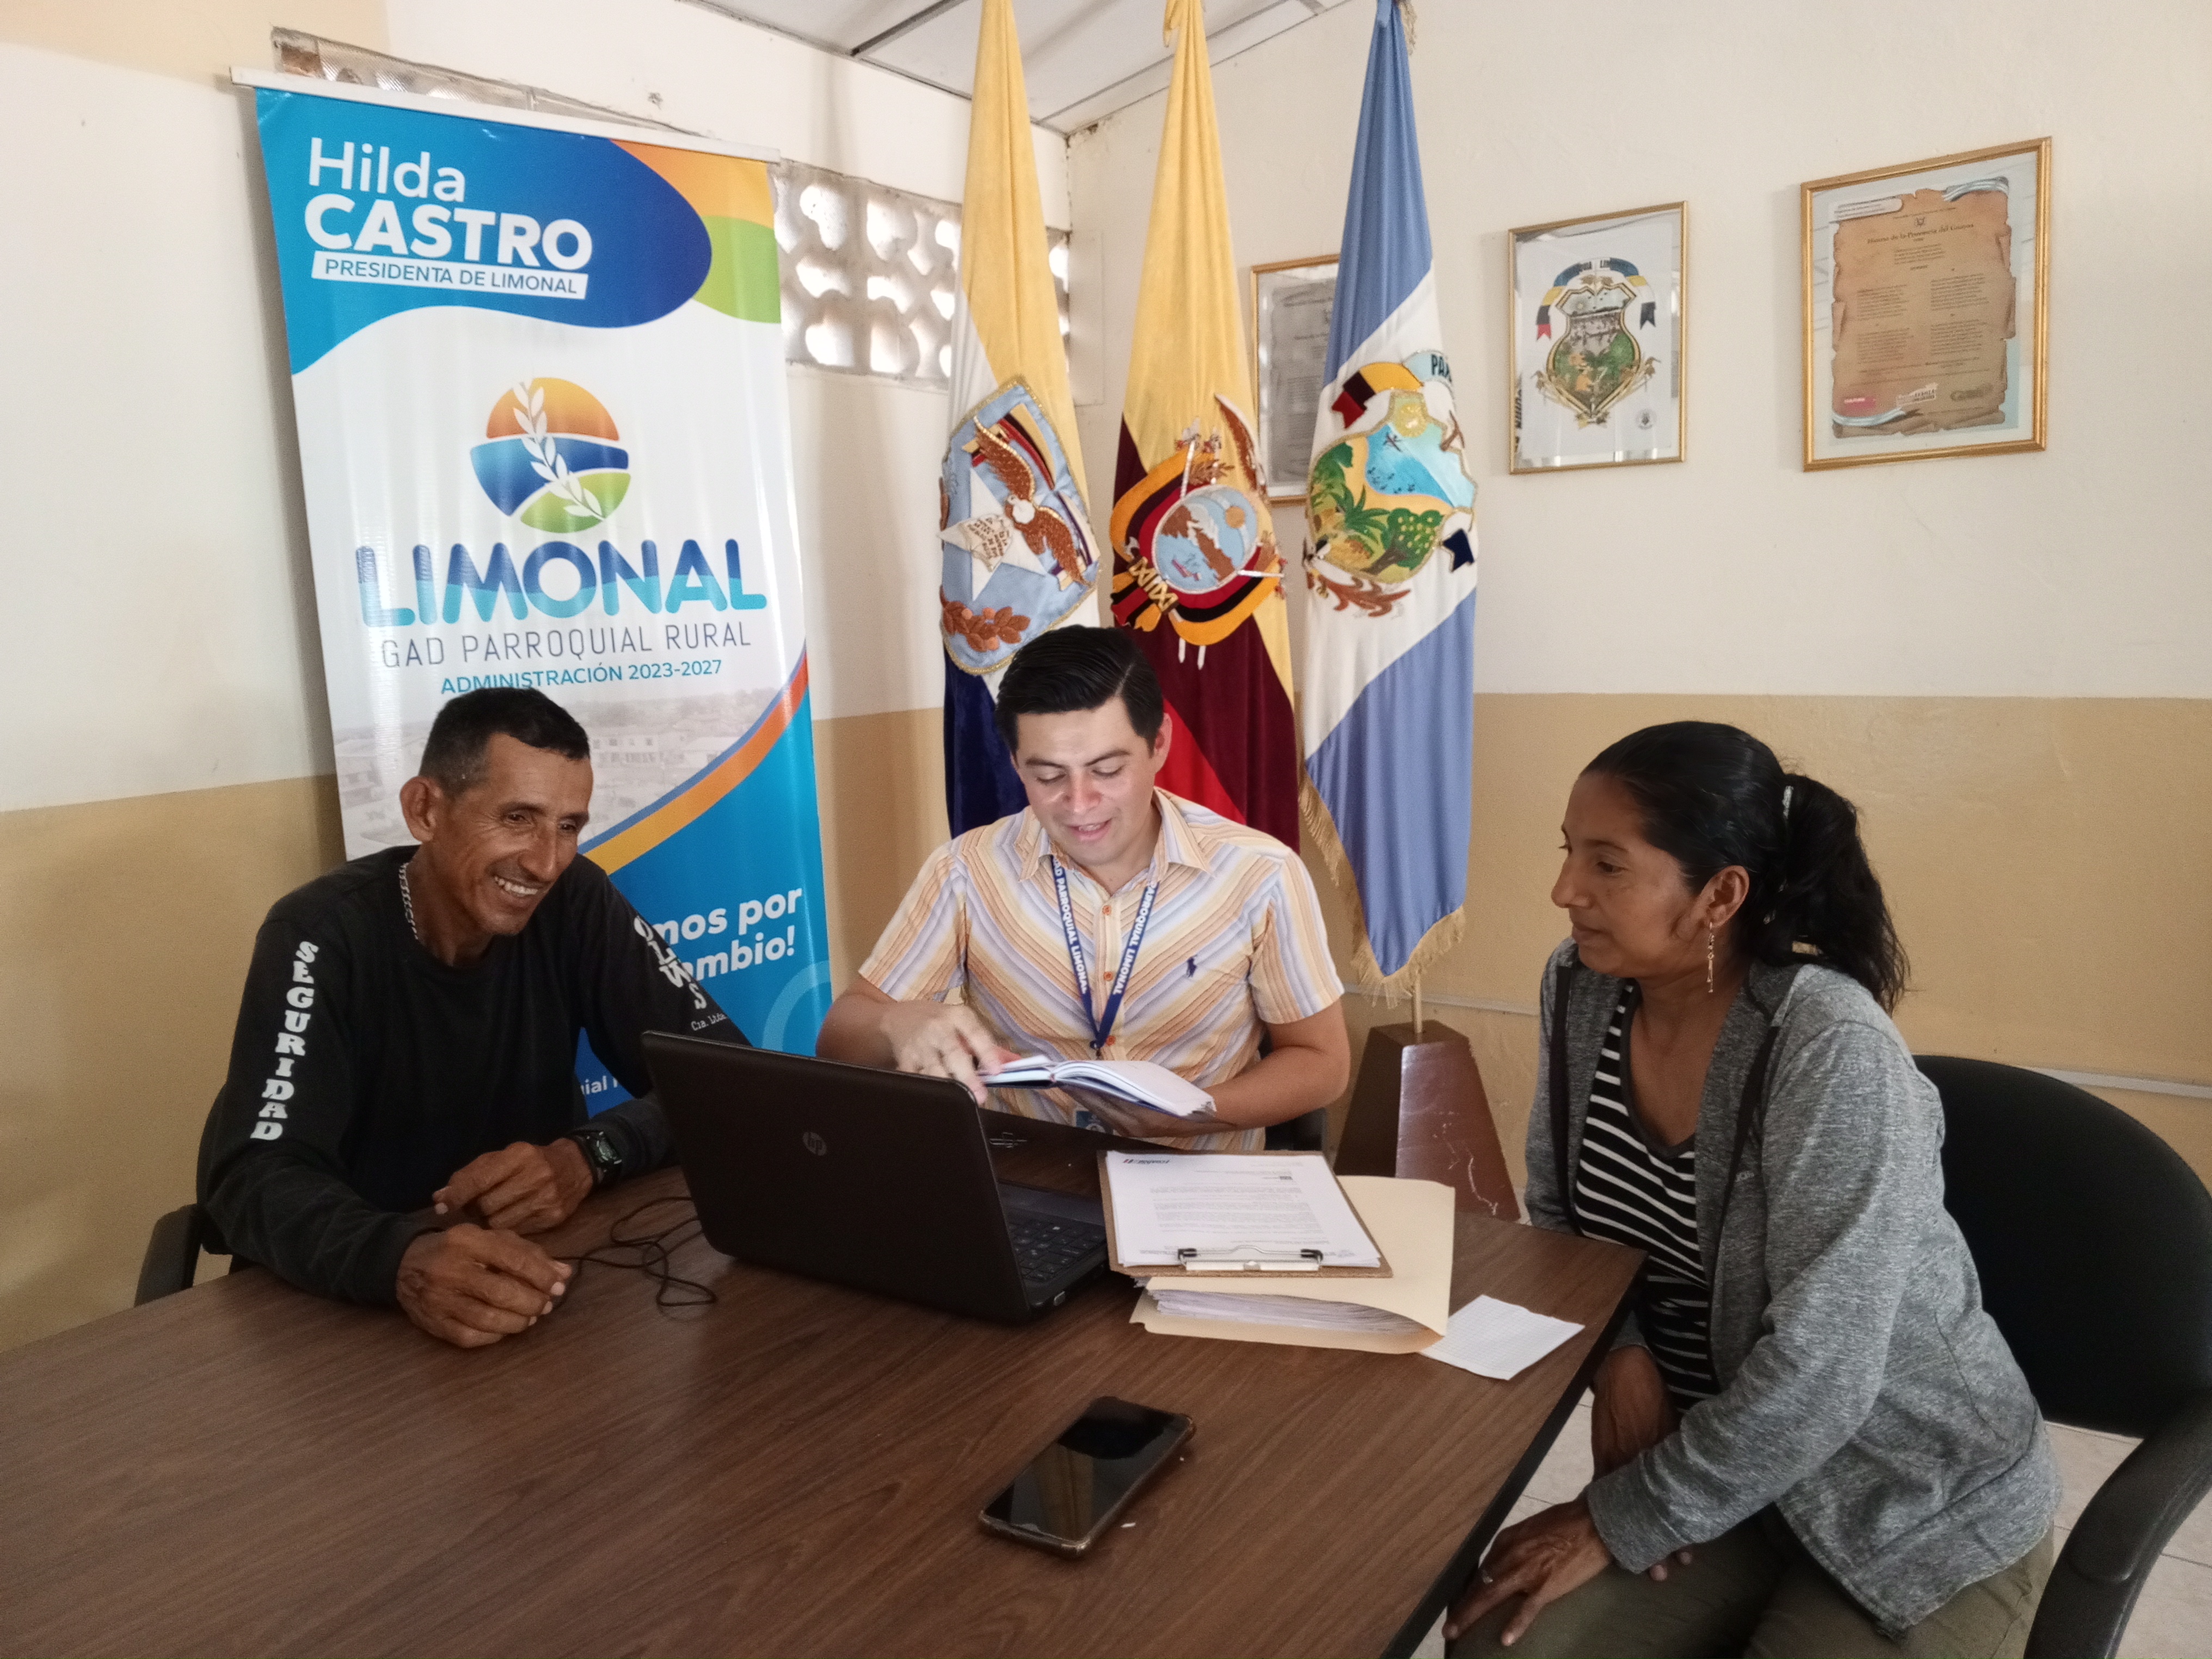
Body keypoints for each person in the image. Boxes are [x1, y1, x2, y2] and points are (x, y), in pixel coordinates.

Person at [1447, 722, 2057, 1658]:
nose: (1564, 890)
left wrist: (1623, 1517)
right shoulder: (1581, 985)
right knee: (1500, 1637)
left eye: (1606, 864)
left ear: (1719, 895)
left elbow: (1824, 1372)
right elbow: (1563, 1213)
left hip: (1907, 1494)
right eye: (1568, 852)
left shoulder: (1828, 1048)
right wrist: (1621, 1356)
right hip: (1724, 1469)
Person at [198, 688, 745, 1348]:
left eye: (568, 826)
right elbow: (254, 1175)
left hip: (536, 1285)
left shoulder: (575, 899)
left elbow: (725, 1078)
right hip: (343, 1320)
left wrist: (591, 1154)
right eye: (517, 818)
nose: (545, 862)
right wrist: (398, 1258)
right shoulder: (320, 933)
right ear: (425, 810)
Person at [817, 627, 1346, 1149]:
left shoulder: (1260, 872)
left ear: (1158, 743)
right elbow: (839, 1037)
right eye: (1048, 776)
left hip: (1199, 1175)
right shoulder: (966, 869)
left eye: (1107, 770)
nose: (1078, 803)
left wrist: (1194, 1115)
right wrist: (895, 1023)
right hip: (1024, 1169)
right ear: (1015, 762)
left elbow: (1321, 1062)